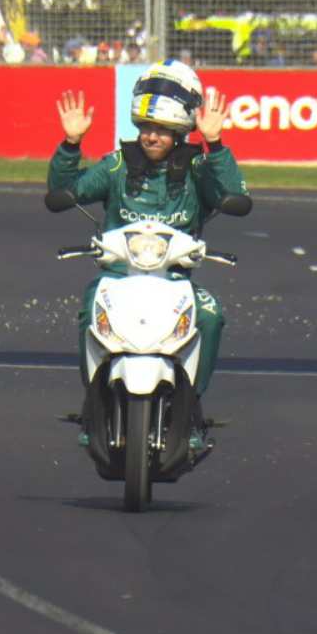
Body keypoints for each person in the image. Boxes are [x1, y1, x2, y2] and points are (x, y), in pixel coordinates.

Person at [48, 58, 249, 406]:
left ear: (180, 132)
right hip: (117, 277)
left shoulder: (198, 169)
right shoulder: (116, 165)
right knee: (88, 307)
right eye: (145, 127)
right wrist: (70, 143)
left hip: (175, 281)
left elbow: (235, 195)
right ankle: (93, 402)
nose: (151, 136)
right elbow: (63, 193)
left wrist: (215, 144)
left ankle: (191, 402)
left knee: (212, 314)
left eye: (161, 129)